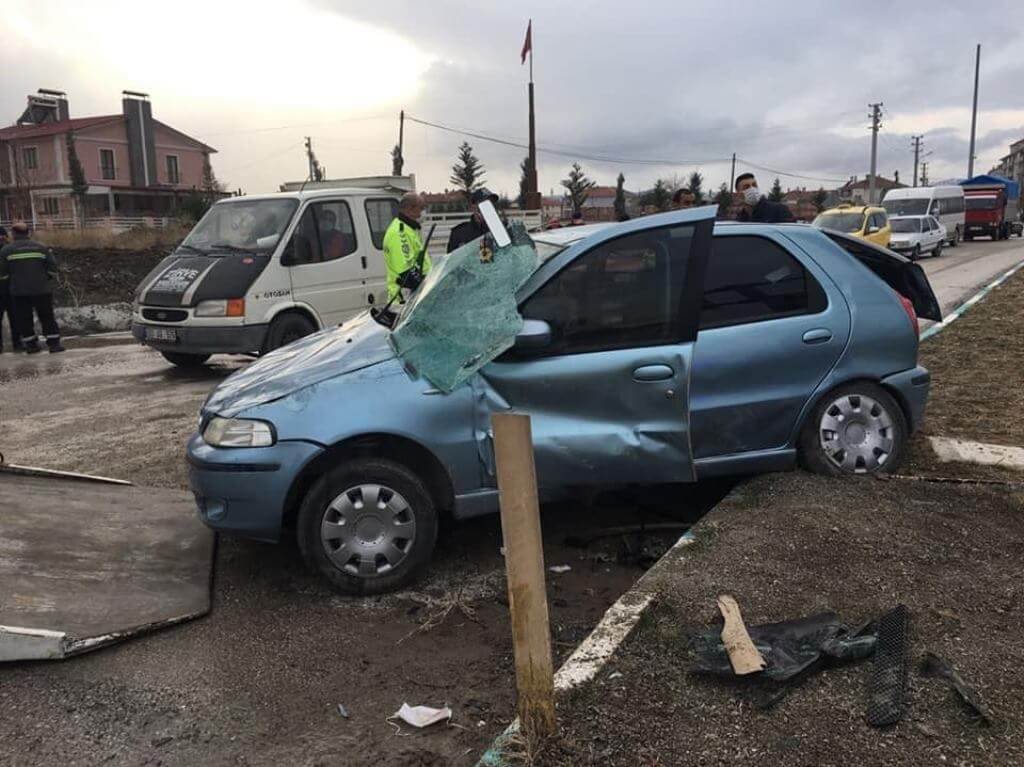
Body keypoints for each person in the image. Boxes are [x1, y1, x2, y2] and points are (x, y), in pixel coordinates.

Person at [0, 221, 64, 353]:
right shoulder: (41, 247)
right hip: (42, 290)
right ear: (28, 233)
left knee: (24, 318)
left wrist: (10, 283)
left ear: (13, 234)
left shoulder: (6, 250)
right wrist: (45, 279)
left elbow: (3, 273)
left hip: (19, 292)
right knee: (47, 316)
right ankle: (54, 344)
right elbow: (53, 268)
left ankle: (31, 345)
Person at [382, 193, 431, 302]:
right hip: (404, 301)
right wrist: (430, 285)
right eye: (421, 208)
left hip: (414, 298)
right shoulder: (399, 233)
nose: (422, 213)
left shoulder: (409, 230)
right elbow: (407, 273)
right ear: (410, 208)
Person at [446, 188, 499, 253]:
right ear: (473, 206)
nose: (488, 207)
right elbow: (451, 261)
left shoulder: (501, 230)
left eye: (491, 203)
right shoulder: (459, 233)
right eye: (483, 203)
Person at [0, 226, 23, 353]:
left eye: (3, 236)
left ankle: (18, 343)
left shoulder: (11, 250)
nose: (1, 238)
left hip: (11, 288)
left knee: (15, 318)